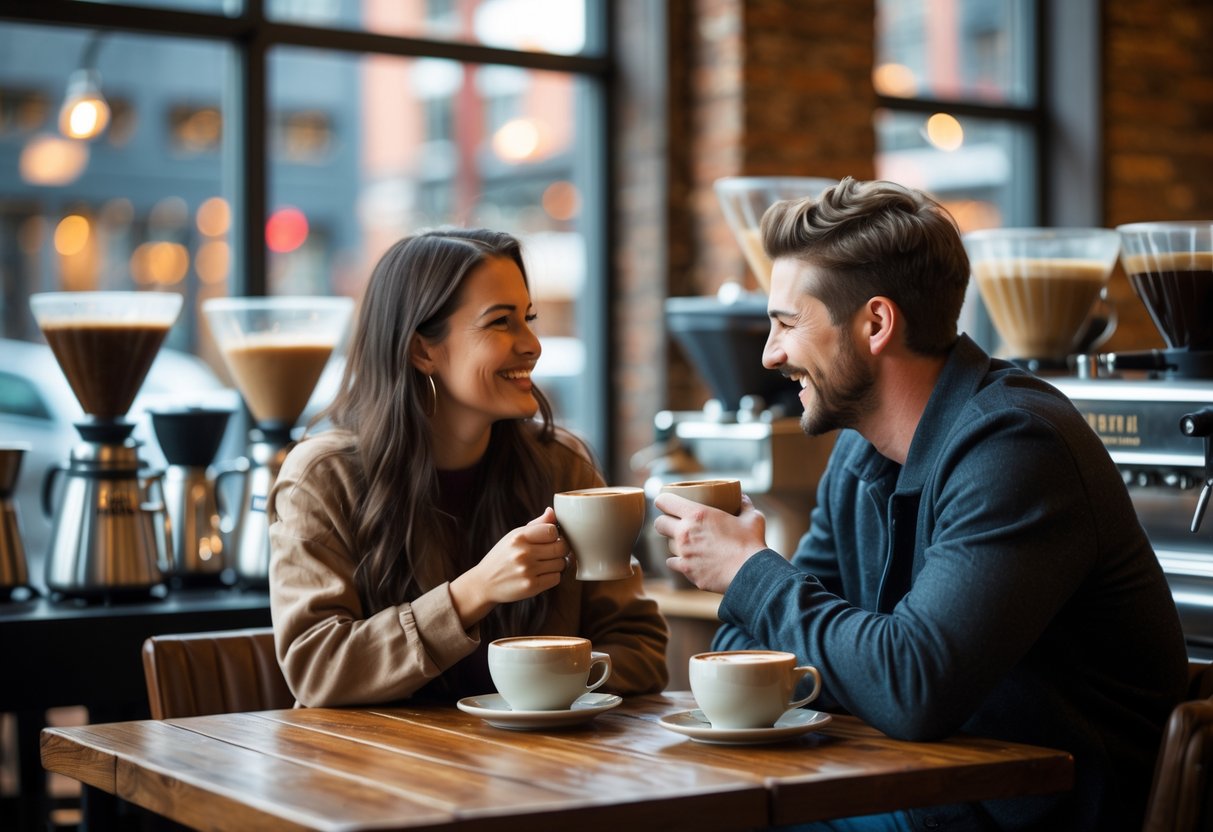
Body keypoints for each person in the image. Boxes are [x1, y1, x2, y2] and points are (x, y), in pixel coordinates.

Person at [654, 178, 1188, 832]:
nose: (770, 355)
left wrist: (749, 572)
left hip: (1041, 810)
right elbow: (755, 649)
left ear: (875, 323)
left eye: (786, 324)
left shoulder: (1016, 447)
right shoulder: (857, 454)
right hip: (916, 787)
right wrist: (803, 626)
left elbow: (909, 686)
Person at [268, 228, 669, 707]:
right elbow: (317, 669)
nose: (533, 344)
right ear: (423, 350)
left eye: (529, 318)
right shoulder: (323, 478)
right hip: (372, 770)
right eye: (501, 322)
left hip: (537, 769)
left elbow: (641, 649)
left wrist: (548, 685)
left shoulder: (562, 469)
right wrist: (474, 591)